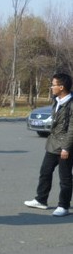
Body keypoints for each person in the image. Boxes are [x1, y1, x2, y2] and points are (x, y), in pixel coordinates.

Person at [24, 73, 73, 217]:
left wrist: (66, 148)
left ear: (61, 87)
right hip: (53, 144)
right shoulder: (57, 100)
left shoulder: (71, 104)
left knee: (65, 178)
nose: (51, 87)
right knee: (45, 172)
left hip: (65, 147)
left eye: (53, 85)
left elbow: (72, 129)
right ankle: (41, 200)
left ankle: (63, 206)